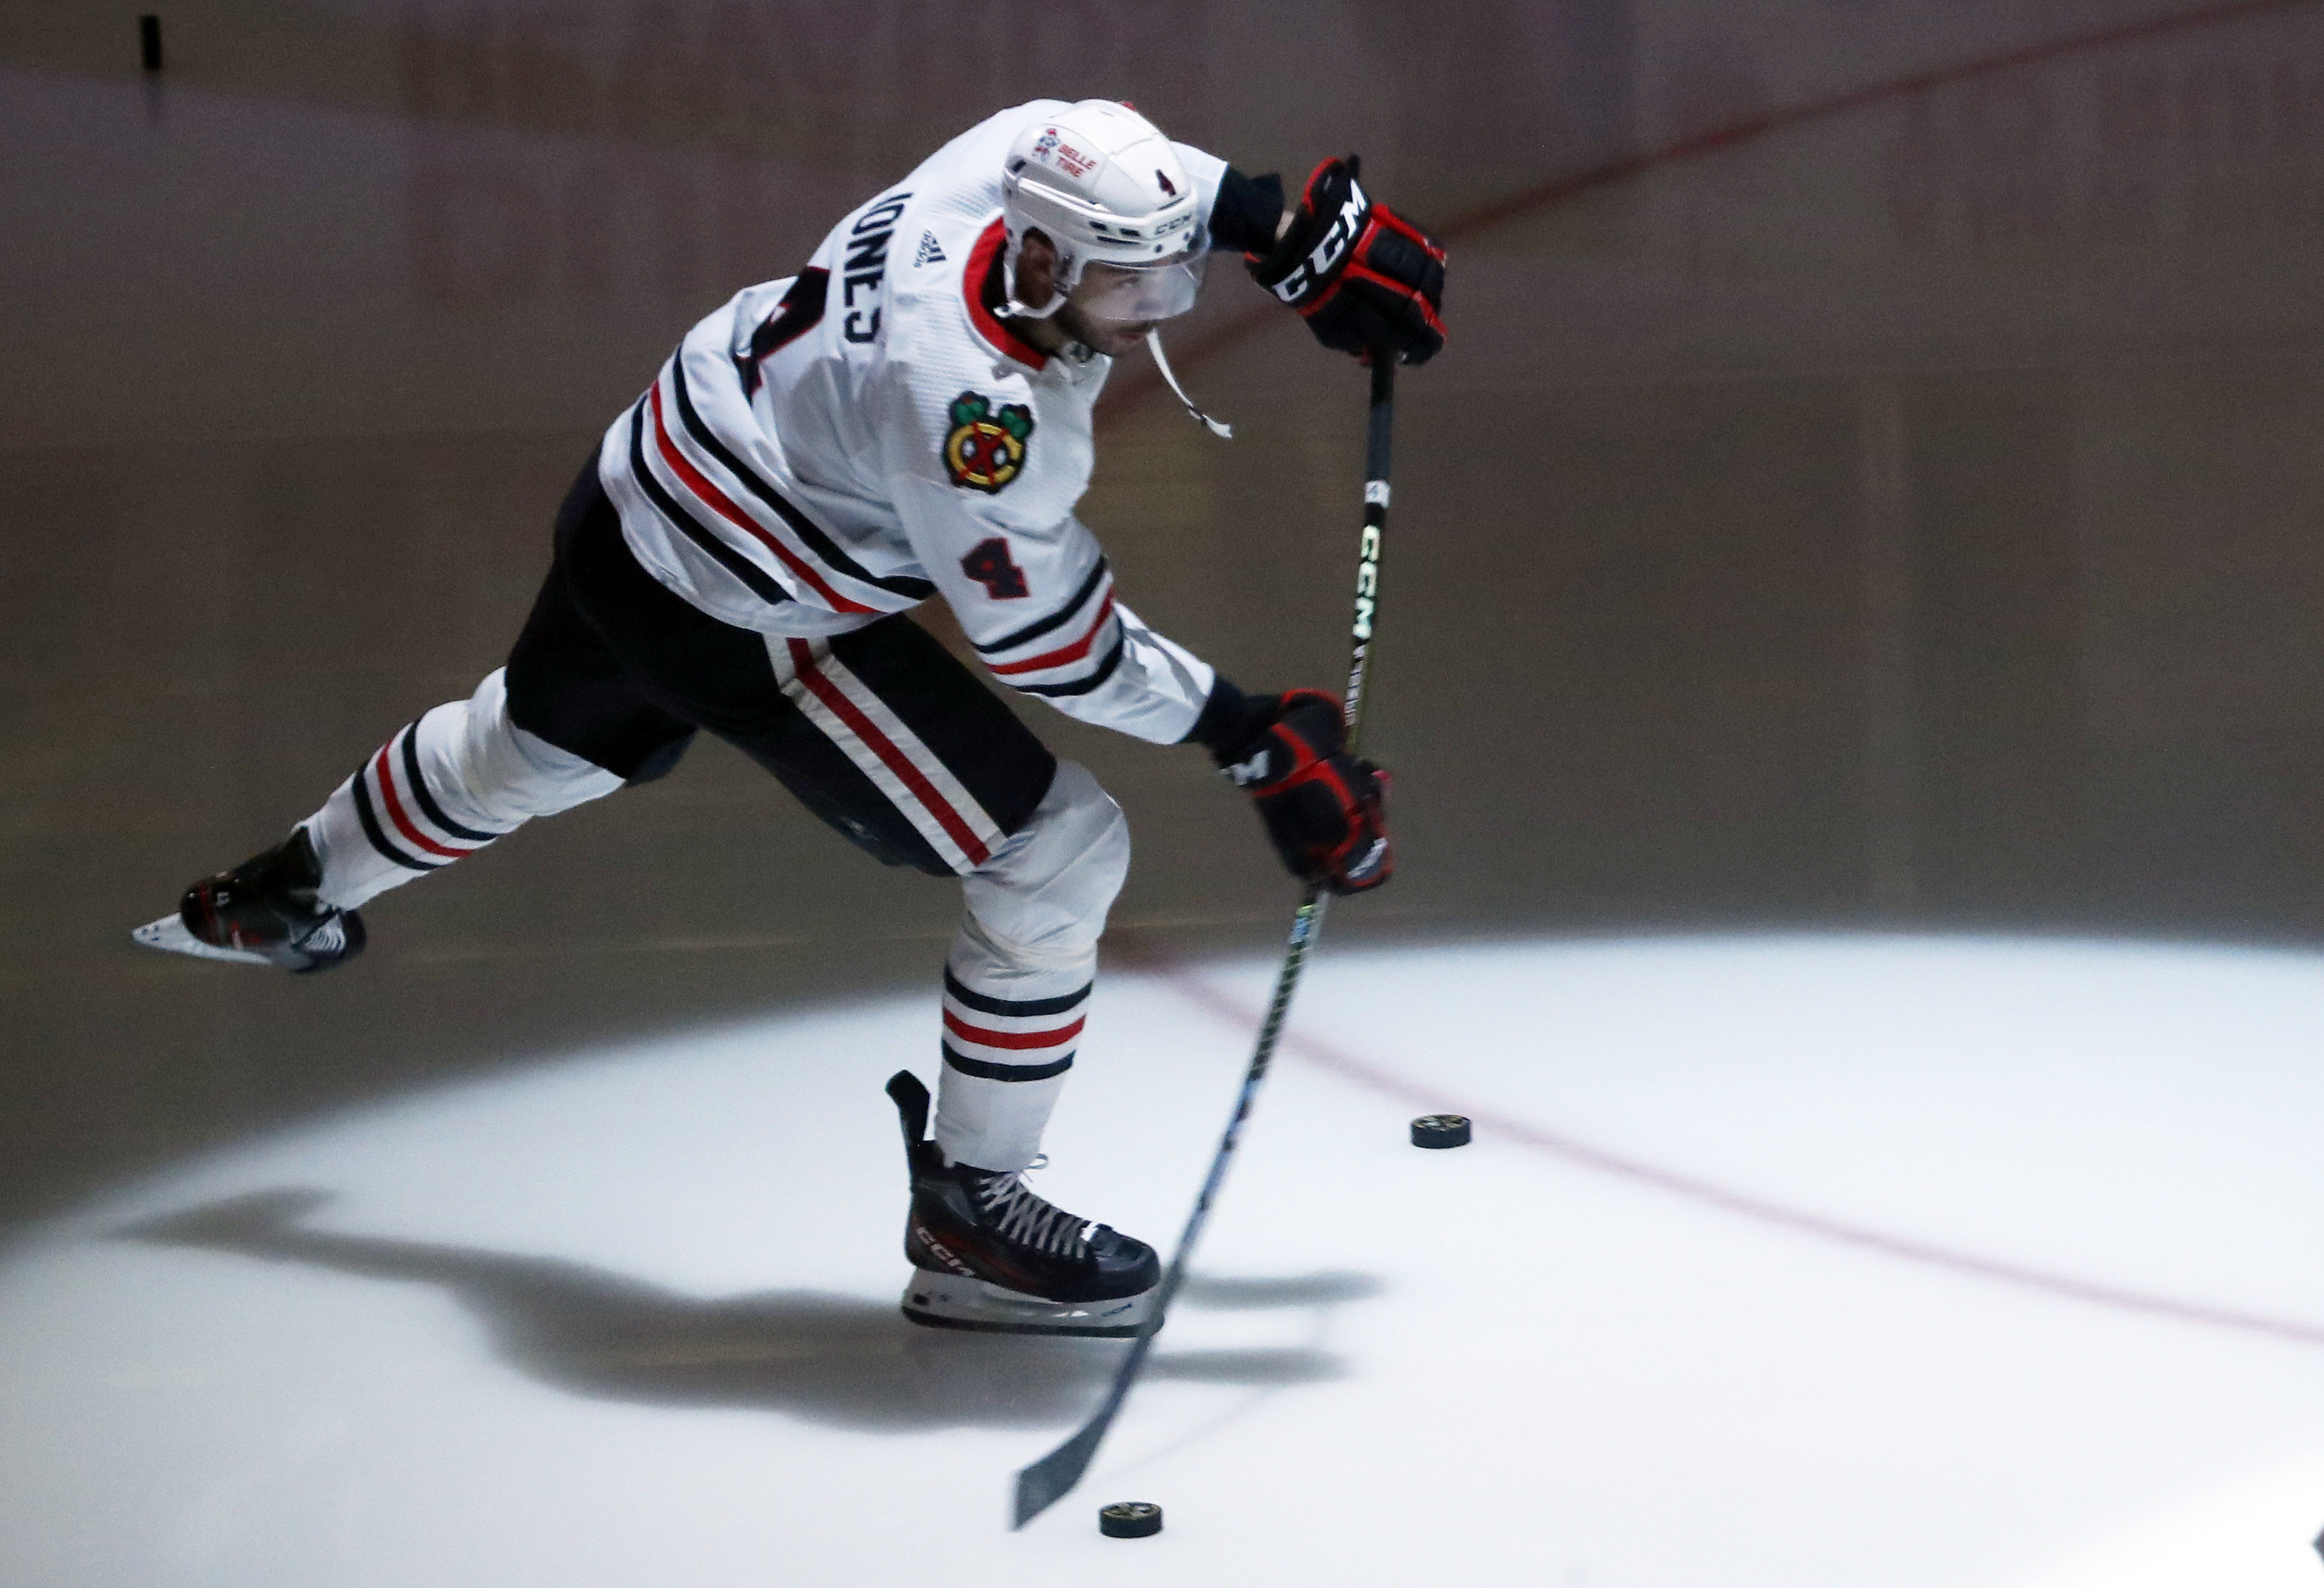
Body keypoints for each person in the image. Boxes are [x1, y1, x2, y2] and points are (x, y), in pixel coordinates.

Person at [134, 99, 1446, 1336]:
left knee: (533, 745)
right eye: (1127, 285)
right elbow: (1046, 638)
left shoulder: (1009, 167)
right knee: (1058, 848)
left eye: (1173, 279)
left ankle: (292, 883)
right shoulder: (973, 412)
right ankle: (970, 1212)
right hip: (743, 604)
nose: (1152, 310)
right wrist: (1249, 738)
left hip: (639, 488)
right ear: (1042, 263)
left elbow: (1131, 155)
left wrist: (1274, 228)